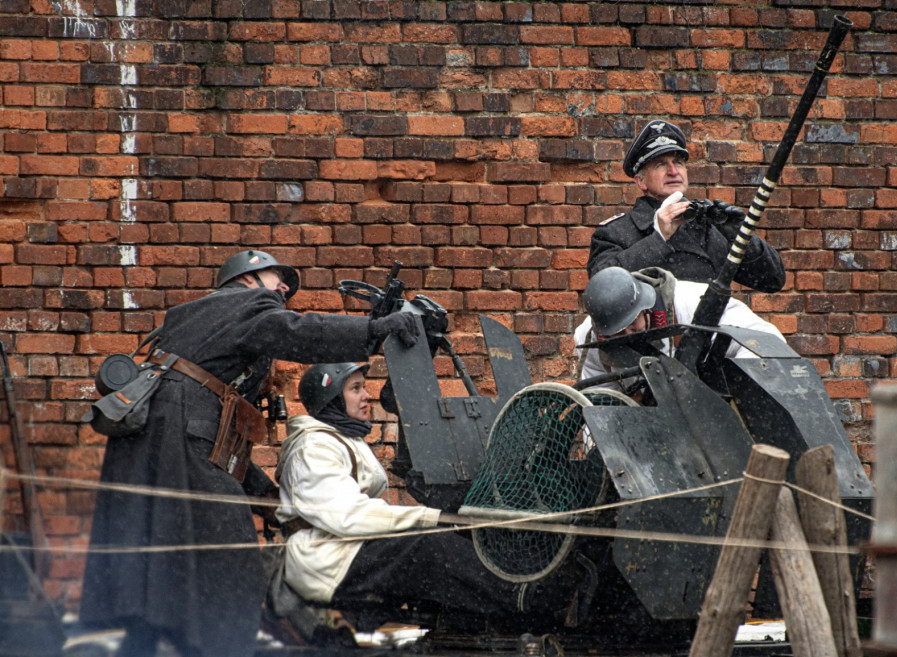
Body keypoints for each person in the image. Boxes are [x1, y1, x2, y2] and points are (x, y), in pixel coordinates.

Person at [79, 250, 421, 657]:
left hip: (155, 437)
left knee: (160, 544)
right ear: (248, 277)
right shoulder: (242, 305)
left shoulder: (198, 320)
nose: (284, 290)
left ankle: (138, 655)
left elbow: (224, 432)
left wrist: (263, 492)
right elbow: (299, 331)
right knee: (231, 556)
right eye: (279, 279)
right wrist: (374, 331)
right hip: (180, 432)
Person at [273, 362, 575, 629]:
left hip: (346, 550)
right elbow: (348, 517)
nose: (367, 396)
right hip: (324, 561)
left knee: (454, 535)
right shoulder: (313, 449)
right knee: (428, 547)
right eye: (355, 389)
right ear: (332, 400)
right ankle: (525, 600)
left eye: (363, 387)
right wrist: (429, 517)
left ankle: (501, 602)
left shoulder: (341, 439)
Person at [587, 119, 786, 293]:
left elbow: (773, 280)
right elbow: (601, 287)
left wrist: (740, 235)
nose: (673, 171)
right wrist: (658, 240)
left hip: (709, 334)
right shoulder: (616, 232)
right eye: (661, 164)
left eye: (679, 162)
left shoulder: (710, 226)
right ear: (641, 181)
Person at [574, 266, 788, 391]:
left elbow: (767, 342)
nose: (628, 336)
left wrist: (736, 390)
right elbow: (597, 401)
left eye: (632, 325)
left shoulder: (694, 303)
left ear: (645, 308)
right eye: (618, 334)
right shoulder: (590, 337)